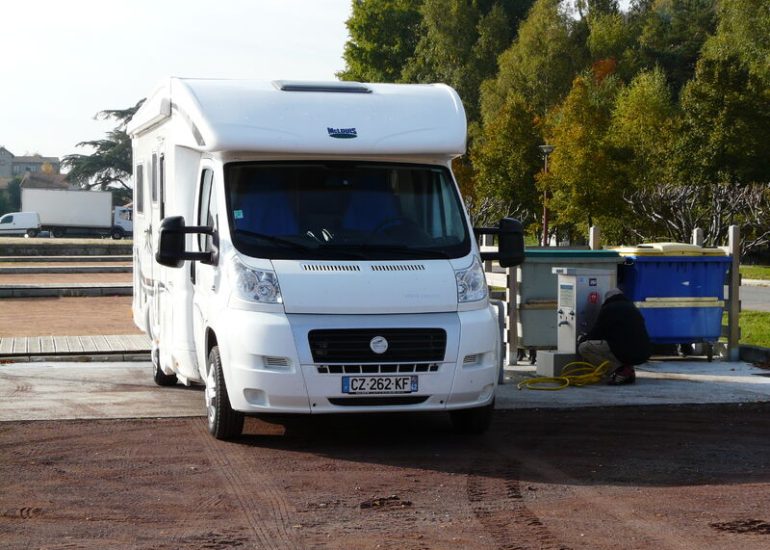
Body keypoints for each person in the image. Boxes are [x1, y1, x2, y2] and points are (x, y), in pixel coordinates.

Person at [578, 288, 652, 385]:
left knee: (584, 347)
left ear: (607, 299)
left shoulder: (609, 308)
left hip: (627, 352)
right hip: (644, 353)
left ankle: (620, 371)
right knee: (620, 345)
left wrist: (581, 339)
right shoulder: (632, 307)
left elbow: (596, 333)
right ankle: (628, 370)